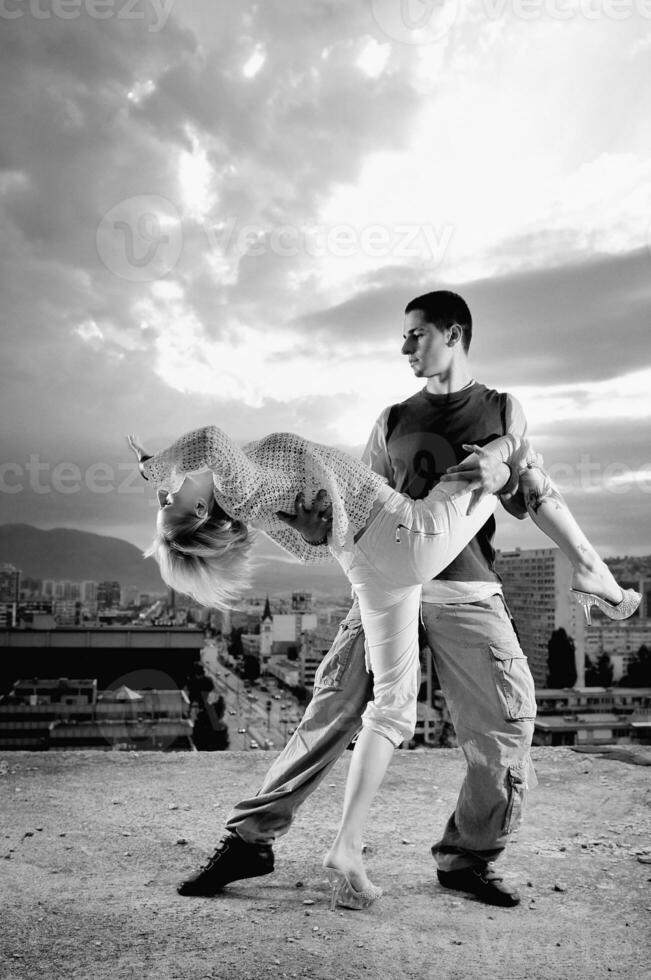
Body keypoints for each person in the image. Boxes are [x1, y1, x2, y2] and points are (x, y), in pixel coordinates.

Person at [128, 292, 639, 910]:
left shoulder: (502, 407)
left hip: (466, 585)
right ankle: (249, 839)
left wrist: (503, 470)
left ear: (454, 333)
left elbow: (517, 495)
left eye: (416, 335)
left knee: (505, 723)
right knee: (328, 713)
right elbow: (347, 511)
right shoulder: (391, 419)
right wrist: (315, 529)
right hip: (392, 563)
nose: (404, 347)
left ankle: (467, 858)